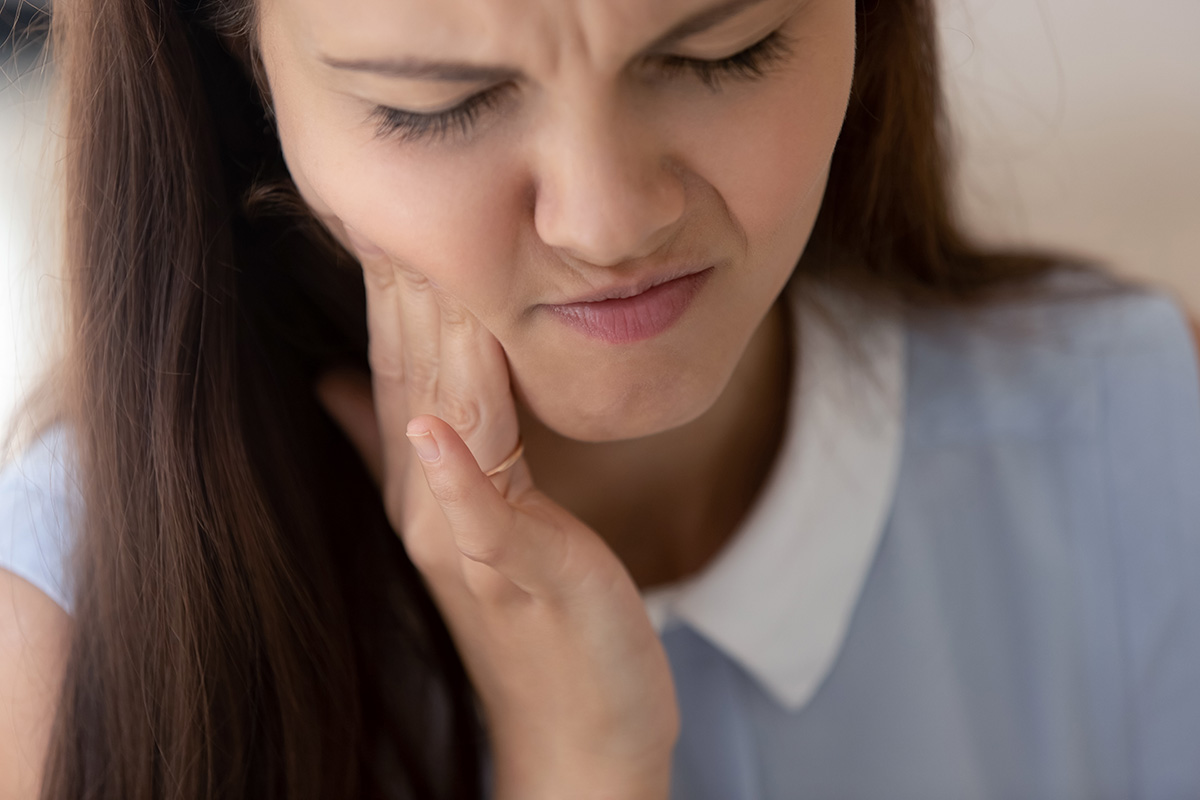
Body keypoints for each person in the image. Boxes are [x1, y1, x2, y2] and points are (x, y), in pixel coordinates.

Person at [1, 0, 1198, 796]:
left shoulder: (1142, 435)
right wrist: (578, 763)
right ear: (245, 83)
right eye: (437, 103)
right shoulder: (66, 631)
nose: (609, 220)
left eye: (723, 49)